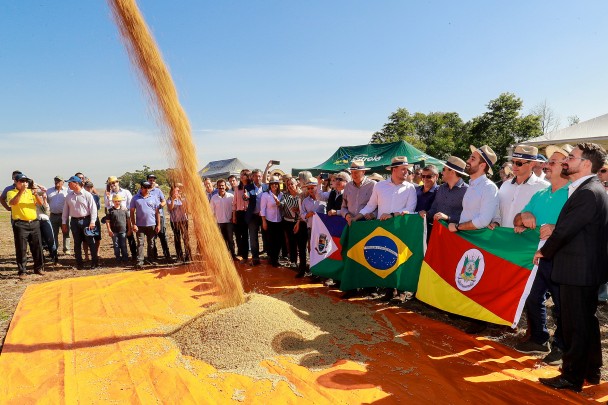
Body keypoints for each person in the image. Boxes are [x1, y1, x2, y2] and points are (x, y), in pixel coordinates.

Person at [537, 143, 608, 393]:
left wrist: (544, 251)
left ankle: (571, 377)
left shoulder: (588, 191)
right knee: (585, 322)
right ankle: (590, 370)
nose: (566, 160)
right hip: (582, 268)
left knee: (575, 325)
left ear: (586, 164)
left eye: (571, 157)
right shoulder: (589, 189)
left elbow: (566, 230)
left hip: (579, 269)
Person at [512, 144, 571, 364]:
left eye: (552, 162)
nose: (546, 165)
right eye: (547, 162)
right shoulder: (541, 193)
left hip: (562, 256)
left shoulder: (574, 193)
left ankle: (562, 347)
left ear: (565, 166)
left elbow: (582, 224)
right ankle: (539, 338)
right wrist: (524, 215)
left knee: (562, 303)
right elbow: (518, 220)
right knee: (532, 296)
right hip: (538, 256)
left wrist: (557, 228)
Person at [448, 145, 499, 334]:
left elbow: (484, 220)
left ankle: (478, 320)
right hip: (467, 238)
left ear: (483, 165)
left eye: (472, 158)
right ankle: (465, 312)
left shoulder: (489, 188)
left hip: (477, 238)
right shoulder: (472, 187)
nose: (468, 161)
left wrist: (459, 227)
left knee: (475, 276)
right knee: (465, 275)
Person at [491, 145, 549, 229]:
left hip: (525, 240)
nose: (514, 166)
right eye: (513, 162)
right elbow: (498, 211)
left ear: (532, 164)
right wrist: (496, 223)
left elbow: (545, 217)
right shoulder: (505, 185)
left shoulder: (544, 188)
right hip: (501, 237)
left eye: (519, 163)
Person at [352, 156, 417, 222]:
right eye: (403, 169)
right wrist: (356, 218)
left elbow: (410, 209)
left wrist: (392, 215)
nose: (407, 172)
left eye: (407, 169)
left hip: (400, 228)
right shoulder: (379, 185)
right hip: (381, 228)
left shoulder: (410, 188)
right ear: (394, 170)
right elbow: (370, 206)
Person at [7, 174, 45, 279]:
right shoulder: (11, 192)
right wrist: (21, 191)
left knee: (37, 246)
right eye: (22, 181)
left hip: (34, 223)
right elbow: (12, 203)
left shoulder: (31, 192)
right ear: (16, 182)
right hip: (20, 224)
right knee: (21, 248)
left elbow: (41, 203)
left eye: (26, 181)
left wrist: (36, 194)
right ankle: (22, 271)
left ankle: (38, 268)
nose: (24, 183)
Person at [421, 156, 469, 237]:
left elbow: (469, 217)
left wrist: (448, 217)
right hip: (436, 234)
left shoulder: (467, 191)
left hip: (455, 238)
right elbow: (434, 208)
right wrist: (426, 213)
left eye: (444, 169)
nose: (441, 172)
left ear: (452, 172)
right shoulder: (441, 188)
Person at [62, 176, 99, 269]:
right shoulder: (69, 196)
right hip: (74, 222)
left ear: (76, 183)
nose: (68, 185)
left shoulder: (87, 195)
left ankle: (94, 263)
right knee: (77, 243)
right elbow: (65, 211)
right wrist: (64, 223)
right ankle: (79, 263)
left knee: (90, 242)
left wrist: (92, 222)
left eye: (70, 183)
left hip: (86, 221)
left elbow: (93, 209)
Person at [130, 180, 160, 269]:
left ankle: (150, 259)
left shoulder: (154, 197)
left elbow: (157, 212)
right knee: (140, 243)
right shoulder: (135, 198)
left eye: (149, 188)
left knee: (151, 243)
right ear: (141, 188)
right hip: (140, 226)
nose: (147, 189)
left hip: (152, 224)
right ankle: (140, 261)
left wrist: (158, 225)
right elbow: (132, 212)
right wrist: (134, 224)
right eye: (145, 188)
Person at [105, 176, 136, 260]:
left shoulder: (126, 192)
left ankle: (134, 255)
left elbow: (131, 203)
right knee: (117, 241)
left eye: (114, 182)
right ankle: (119, 256)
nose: (113, 184)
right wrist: (108, 198)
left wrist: (125, 210)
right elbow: (107, 206)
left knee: (130, 237)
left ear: (118, 182)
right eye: (111, 183)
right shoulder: (108, 194)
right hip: (114, 218)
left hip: (126, 217)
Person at [281, 177, 308, 276]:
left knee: (301, 245)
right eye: (288, 184)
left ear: (296, 183)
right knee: (291, 242)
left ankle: (302, 267)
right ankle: (293, 262)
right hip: (288, 222)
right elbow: (281, 205)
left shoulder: (302, 195)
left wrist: (298, 209)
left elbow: (304, 209)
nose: (290, 186)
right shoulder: (285, 195)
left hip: (300, 222)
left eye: (292, 183)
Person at [244, 169, 268, 266]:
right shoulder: (248, 187)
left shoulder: (266, 187)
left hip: (264, 216)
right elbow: (246, 196)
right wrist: (245, 196)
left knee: (266, 236)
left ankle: (267, 254)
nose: (257, 178)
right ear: (252, 177)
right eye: (255, 176)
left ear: (261, 176)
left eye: (259, 176)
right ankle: (255, 257)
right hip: (253, 216)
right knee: (253, 238)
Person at [340, 160, 375, 225]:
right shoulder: (348, 186)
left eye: (356, 172)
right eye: (352, 172)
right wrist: (346, 215)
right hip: (351, 224)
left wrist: (373, 215)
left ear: (363, 172)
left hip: (368, 224)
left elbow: (379, 205)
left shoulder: (373, 185)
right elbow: (343, 207)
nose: (353, 175)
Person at [147, 174, 171, 262]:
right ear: (147, 181)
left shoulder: (158, 191)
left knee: (162, 235)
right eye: (150, 180)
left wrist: (161, 205)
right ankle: (154, 256)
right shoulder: (144, 191)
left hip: (159, 216)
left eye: (153, 180)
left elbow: (164, 200)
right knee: (152, 237)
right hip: (150, 217)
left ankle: (167, 255)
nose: (152, 181)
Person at [260, 176, 283, 267]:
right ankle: (273, 259)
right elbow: (263, 209)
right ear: (269, 185)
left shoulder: (281, 195)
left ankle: (276, 258)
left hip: (279, 220)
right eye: (272, 184)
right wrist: (264, 221)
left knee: (279, 241)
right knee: (271, 241)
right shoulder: (265, 195)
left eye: (276, 184)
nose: (274, 185)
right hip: (270, 221)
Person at [210, 179, 236, 259]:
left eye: (222, 186)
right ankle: (225, 257)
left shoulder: (231, 196)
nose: (221, 187)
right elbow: (211, 211)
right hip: (219, 222)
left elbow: (234, 209)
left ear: (225, 186)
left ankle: (233, 255)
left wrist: (233, 218)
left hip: (229, 222)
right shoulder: (214, 198)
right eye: (219, 186)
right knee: (222, 240)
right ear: (217, 187)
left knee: (230, 240)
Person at [47, 175, 71, 256]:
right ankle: (55, 249)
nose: (57, 182)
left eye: (59, 181)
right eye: (56, 180)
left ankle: (66, 249)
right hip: (53, 215)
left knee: (66, 232)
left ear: (63, 182)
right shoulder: (49, 191)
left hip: (64, 215)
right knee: (53, 233)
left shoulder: (67, 191)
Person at [167, 183, 191, 263]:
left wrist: (180, 199)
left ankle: (188, 255)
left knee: (186, 238)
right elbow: (170, 208)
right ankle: (179, 256)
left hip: (183, 220)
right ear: (172, 192)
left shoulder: (183, 198)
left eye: (178, 191)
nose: (177, 192)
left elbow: (187, 209)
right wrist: (173, 200)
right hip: (174, 221)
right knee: (177, 238)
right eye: (175, 191)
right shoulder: (169, 199)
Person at [105, 194, 131, 264]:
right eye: (116, 201)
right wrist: (109, 230)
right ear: (113, 201)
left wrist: (129, 229)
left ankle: (125, 258)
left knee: (123, 245)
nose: (117, 202)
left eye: (119, 201)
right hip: (114, 231)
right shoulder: (110, 211)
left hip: (123, 230)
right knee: (116, 245)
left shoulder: (124, 210)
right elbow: (107, 221)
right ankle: (118, 258)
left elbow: (128, 220)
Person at [232, 169, 251, 263]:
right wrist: (234, 216)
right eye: (241, 174)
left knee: (248, 235)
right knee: (241, 235)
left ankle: (250, 254)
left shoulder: (251, 187)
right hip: (239, 213)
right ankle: (244, 256)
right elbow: (234, 203)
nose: (241, 176)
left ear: (248, 176)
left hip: (248, 213)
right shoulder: (237, 188)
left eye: (243, 174)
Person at [83, 181, 102, 261]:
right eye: (87, 187)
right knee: (85, 238)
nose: (89, 189)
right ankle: (86, 256)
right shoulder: (82, 196)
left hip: (95, 219)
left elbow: (97, 208)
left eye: (91, 187)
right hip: (86, 219)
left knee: (97, 237)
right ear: (84, 187)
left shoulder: (96, 197)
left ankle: (97, 253)